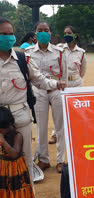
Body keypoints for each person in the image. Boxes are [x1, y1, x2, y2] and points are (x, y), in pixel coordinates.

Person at [0, 17, 65, 182]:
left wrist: (57, 83)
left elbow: (40, 79)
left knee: (27, 159)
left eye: (11, 34)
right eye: (3, 34)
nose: (8, 37)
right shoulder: (29, 53)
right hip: (2, 117)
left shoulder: (23, 59)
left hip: (21, 114)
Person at [25, 21, 67, 173]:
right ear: (35, 33)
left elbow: (65, 74)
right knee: (41, 126)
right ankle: (44, 159)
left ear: (50, 33)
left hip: (56, 90)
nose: (43, 32)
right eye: (40, 30)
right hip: (38, 91)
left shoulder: (59, 52)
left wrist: (62, 87)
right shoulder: (28, 53)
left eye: (46, 30)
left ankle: (61, 160)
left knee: (60, 126)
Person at [0, 107, 40, 198]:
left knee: (27, 191)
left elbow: (14, 154)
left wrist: (3, 142)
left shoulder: (17, 135)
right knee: (5, 193)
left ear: (8, 126)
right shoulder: (3, 133)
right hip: (5, 170)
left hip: (17, 169)